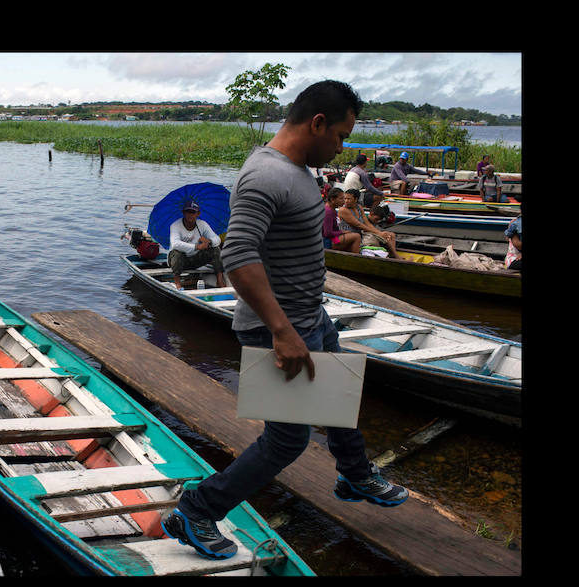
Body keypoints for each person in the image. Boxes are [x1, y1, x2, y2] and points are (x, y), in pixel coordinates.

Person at [160, 80, 408, 561]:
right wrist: (282, 331)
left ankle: (355, 476)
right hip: (279, 328)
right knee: (286, 441)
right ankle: (197, 509)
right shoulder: (265, 176)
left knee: (338, 395)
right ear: (316, 124)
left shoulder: (295, 170)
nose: (341, 149)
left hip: (309, 317)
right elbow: (238, 254)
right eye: (340, 136)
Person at [167, 199, 227, 289]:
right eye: (188, 212)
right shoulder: (175, 225)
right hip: (179, 260)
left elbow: (217, 239)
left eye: (193, 212)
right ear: (183, 212)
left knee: (215, 249)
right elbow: (175, 244)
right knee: (177, 253)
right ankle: (177, 282)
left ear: (198, 214)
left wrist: (209, 241)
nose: (190, 215)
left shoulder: (202, 224)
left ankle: (219, 280)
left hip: (195, 258)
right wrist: (196, 247)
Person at [338, 189, 399, 258]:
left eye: (349, 199)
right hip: (351, 236)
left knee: (391, 235)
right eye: (345, 198)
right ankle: (396, 257)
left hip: (361, 234)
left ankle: (393, 254)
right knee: (380, 236)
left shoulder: (359, 207)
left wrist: (379, 232)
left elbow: (367, 223)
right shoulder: (343, 210)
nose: (346, 201)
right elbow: (359, 225)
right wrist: (378, 233)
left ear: (355, 199)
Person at [323, 187, 361, 252]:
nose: (344, 201)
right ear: (332, 199)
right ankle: (355, 259)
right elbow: (327, 233)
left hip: (332, 238)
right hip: (327, 241)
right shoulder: (328, 212)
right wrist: (342, 232)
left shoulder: (331, 209)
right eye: (341, 199)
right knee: (357, 236)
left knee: (350, 242)